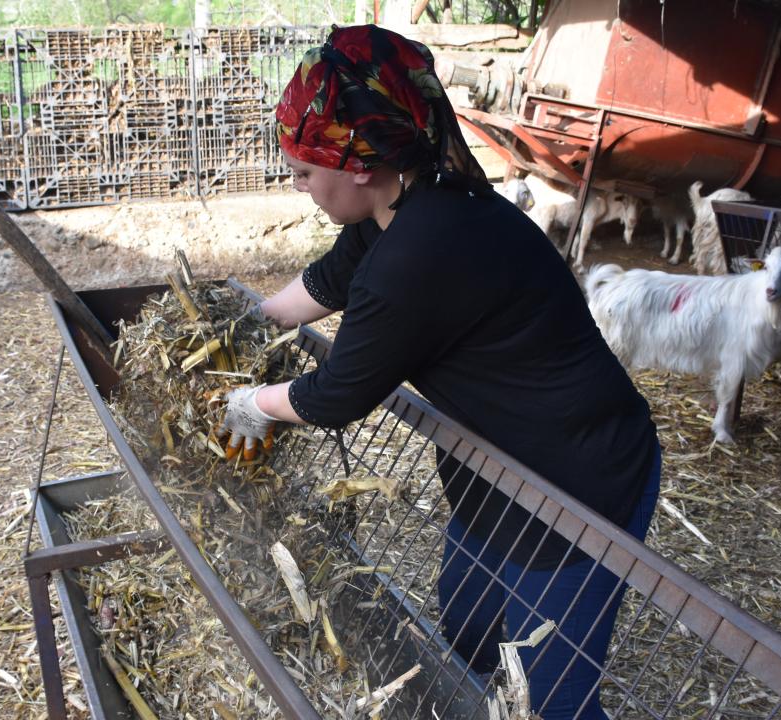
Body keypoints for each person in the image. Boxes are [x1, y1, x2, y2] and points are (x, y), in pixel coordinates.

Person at [219, 24, 661, 719]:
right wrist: (247, 319)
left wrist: (254, 401)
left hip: (578, 484)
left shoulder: (416, 256)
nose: (297, 185)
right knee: (468, 629)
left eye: (304, 172)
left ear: (359, 165)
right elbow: (330, 279)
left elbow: (336, 393)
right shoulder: (407, 202)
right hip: (497, 470)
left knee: (554, 700)